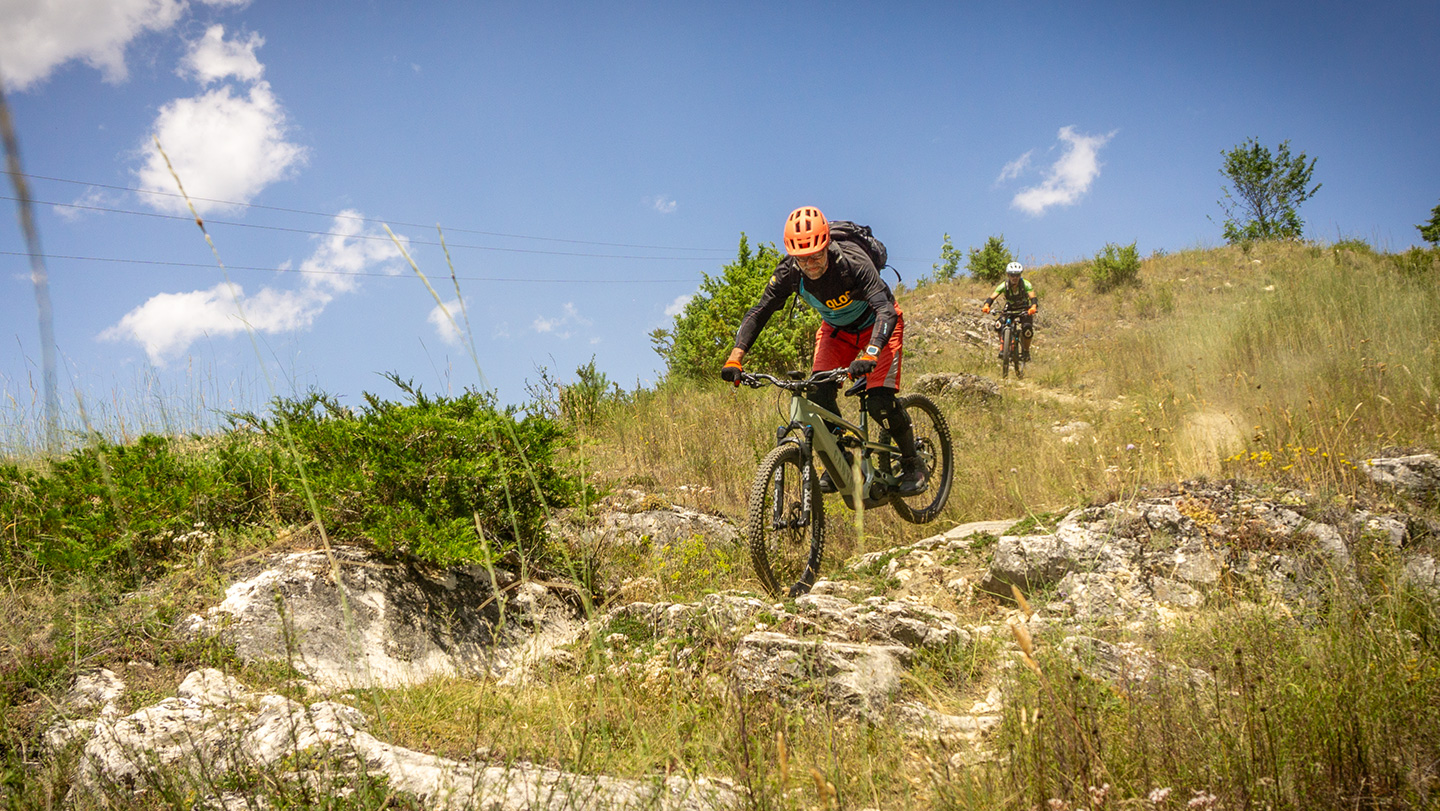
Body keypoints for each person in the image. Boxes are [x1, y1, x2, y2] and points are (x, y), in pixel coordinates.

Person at [719, 206, 926, 495]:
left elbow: (885, 309)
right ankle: (844, 463)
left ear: (827, 244)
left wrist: (871, 352)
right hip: (836, 332)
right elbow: (760, 312)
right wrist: (735, 357)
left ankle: (912, 462)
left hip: (878, 326)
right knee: (818, 396)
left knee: (880, 402)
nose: (812, 264)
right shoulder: (789, 272)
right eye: (803, 259)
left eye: (817, 255)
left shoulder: (853, 262)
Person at [982, 261, 1038, 361]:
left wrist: (1033, 307)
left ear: (1020, 275)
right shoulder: (1004, 285)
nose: (1014, 277)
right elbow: (992, 297)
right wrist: (986, 305)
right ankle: (1004, 347)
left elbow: (1033, 297)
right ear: (1008, 275)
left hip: (1024, 307)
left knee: (1027, 330)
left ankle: (1026, 352)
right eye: (1012, 275)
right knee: (998, 325)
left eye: (1017, 275)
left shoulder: (1026, 284)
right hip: (1010, 307)